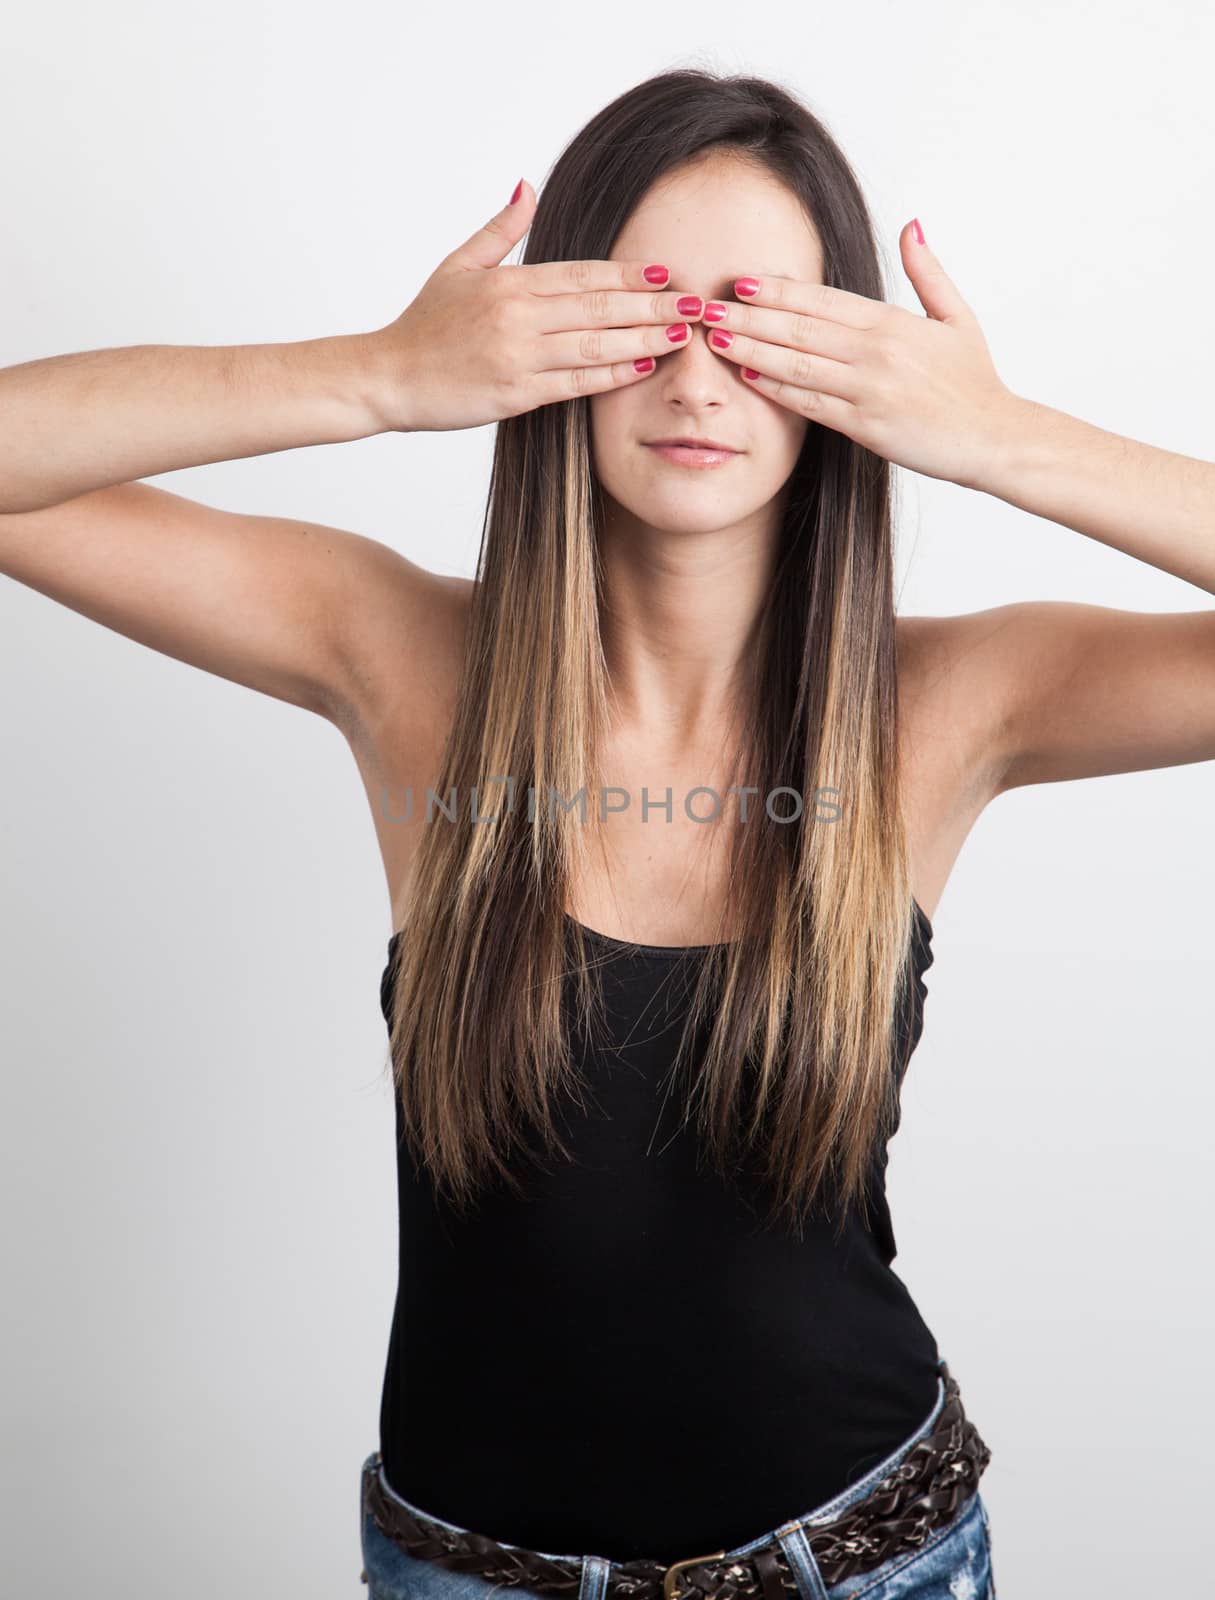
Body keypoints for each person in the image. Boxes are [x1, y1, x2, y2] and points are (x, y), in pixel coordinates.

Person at [4, 67, 1213, 1600]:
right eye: (646, 314)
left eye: (763, 323)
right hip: (460, 1572)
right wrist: (377, 375)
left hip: (865, 1560)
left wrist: (998, 438)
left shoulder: (950, 703)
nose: (697, 378)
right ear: (549, 341)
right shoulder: (403, 661)